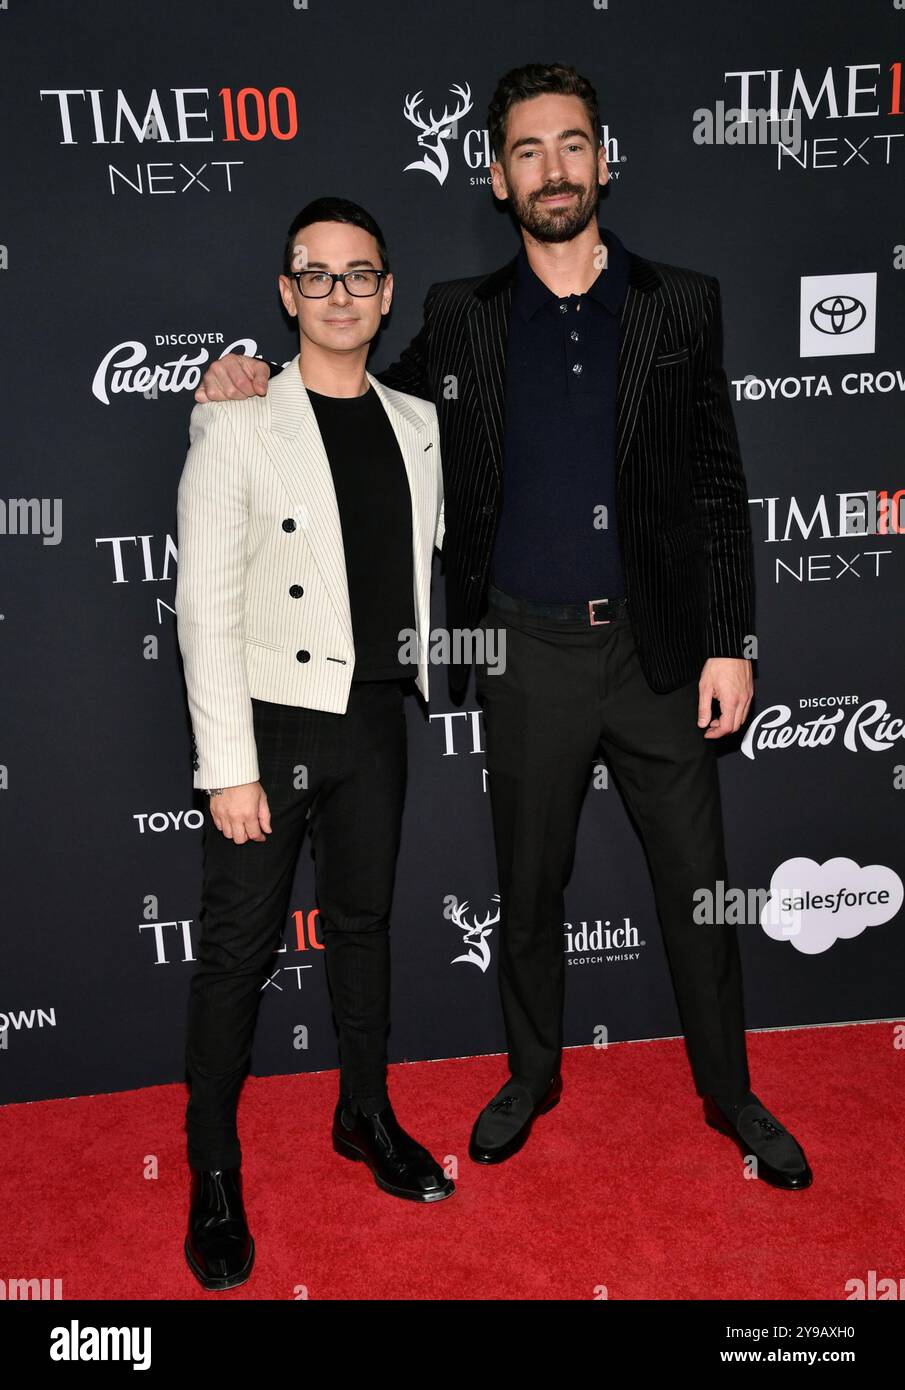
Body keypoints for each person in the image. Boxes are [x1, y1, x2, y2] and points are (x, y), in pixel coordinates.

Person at [197, 64, 812, 1192]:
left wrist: (732, 637)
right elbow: (354, 399)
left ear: (602, 160)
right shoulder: (457, 319)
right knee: (527, 893)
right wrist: (243, 368)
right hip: (524, 653)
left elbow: (719, 487)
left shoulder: (681, 302)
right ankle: (530, 1077)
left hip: (661, 654)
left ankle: (730, 1094)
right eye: (526, 151)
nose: (552, 169)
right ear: (496, 177)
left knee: (696, 890)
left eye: (571, 145)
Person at [176, 196, 451, 1293]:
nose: (340, 292)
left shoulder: (419, 420)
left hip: (377, 715)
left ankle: (363, 1115)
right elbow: (205, 605)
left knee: (366, 928)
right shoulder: (238, 422)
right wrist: (227, 763)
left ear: (386, 295)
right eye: (317, 274)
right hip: (272, 722)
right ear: (288, 295)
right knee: (238, 951)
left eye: (360, 273)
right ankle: (209, 1167)